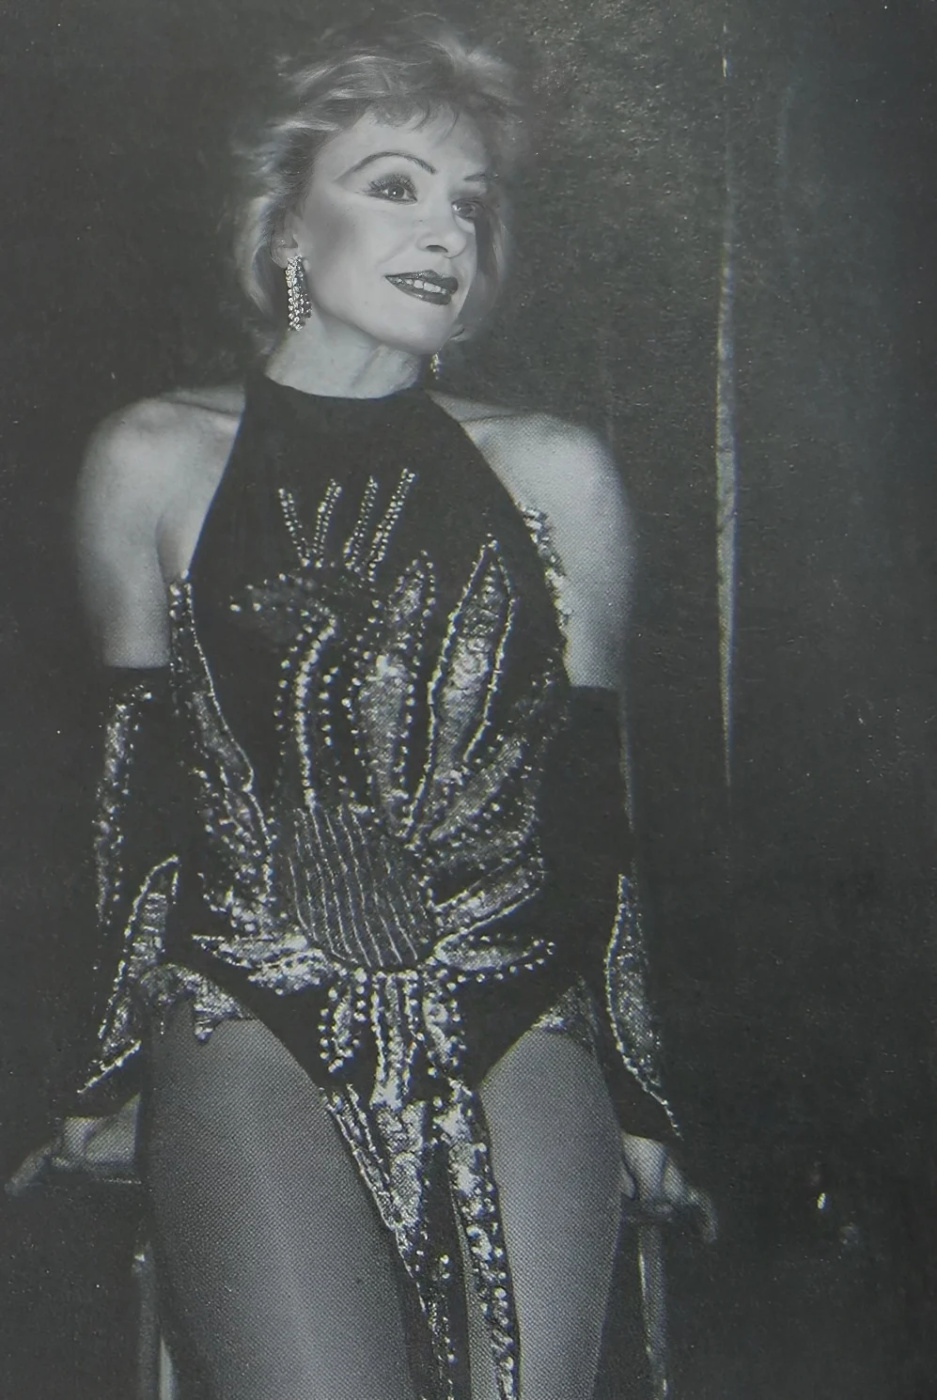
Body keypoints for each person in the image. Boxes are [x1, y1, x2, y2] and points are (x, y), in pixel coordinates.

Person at [23, 17, 713, 1400]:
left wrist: (639, 1099)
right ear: (286, 220)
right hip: (246, 997)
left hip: (511, 993)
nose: (446, 229)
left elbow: (594, 802)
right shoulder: (154, 456)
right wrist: (102, 1079)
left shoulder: (555, 473)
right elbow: (131, 792)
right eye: (394, 184)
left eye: (471, 201)